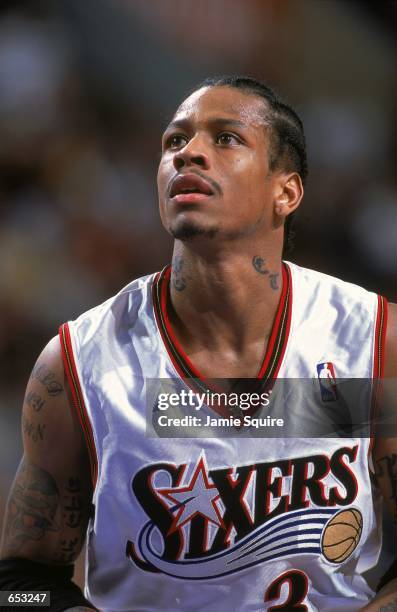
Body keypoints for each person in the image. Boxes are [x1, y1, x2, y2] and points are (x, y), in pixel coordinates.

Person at [1, 75, 397, 612]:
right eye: (174, 141)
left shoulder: (374, 339)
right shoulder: (80, 361)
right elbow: (20, 585)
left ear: (287, 191)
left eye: (226, 138)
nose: (188, 153)